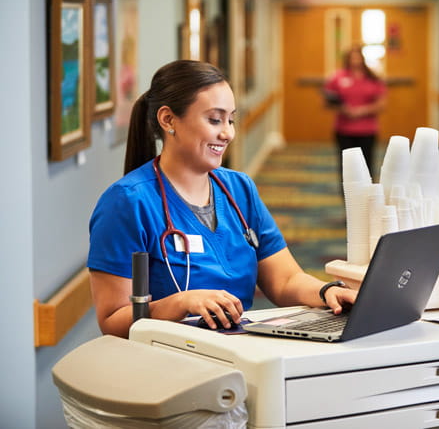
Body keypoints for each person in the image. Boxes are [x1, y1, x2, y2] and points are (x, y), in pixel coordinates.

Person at [87, 60, 356, 338]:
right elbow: (112, 320)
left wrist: (327, 291)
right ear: (168, 120)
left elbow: (285, 280)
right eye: (214, 119)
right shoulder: (127, 203)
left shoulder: (239, 188)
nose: (228, 133)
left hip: (242, 352)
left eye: (230, 120)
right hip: (169, 360)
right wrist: (180, 303)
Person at [324, 45, 387, 180]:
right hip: (344, 129)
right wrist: (343, 108)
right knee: (346, 166)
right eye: (352, 58)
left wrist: (361, 111)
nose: (355, 61)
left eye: (357, 57)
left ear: (362, 59)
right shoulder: (338, 77)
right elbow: (329, 100)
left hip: (367, 130)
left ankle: (367, 196)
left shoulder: (373, 78)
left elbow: (382, 104)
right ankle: (347, 196)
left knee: (366, 165)